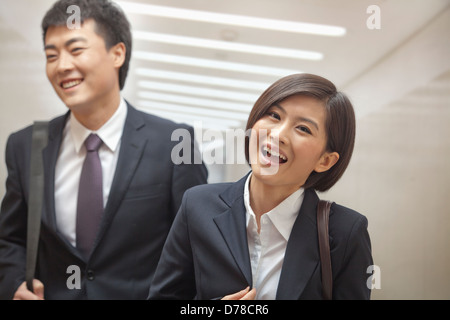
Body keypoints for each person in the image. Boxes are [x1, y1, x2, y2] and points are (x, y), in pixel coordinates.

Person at [0, 0, 207, 300]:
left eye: (76, 49)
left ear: (117, 54)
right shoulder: (27, 145)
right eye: (51, 55)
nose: (62, 66)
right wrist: (15, 284)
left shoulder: (174, 142)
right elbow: (10, 239)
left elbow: (195, 248)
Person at [148, 73, 373, 300]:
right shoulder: (197, 205)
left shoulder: (345, 232)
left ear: (325, 160)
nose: (278, 134)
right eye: (274, 115)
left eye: (303, 129)